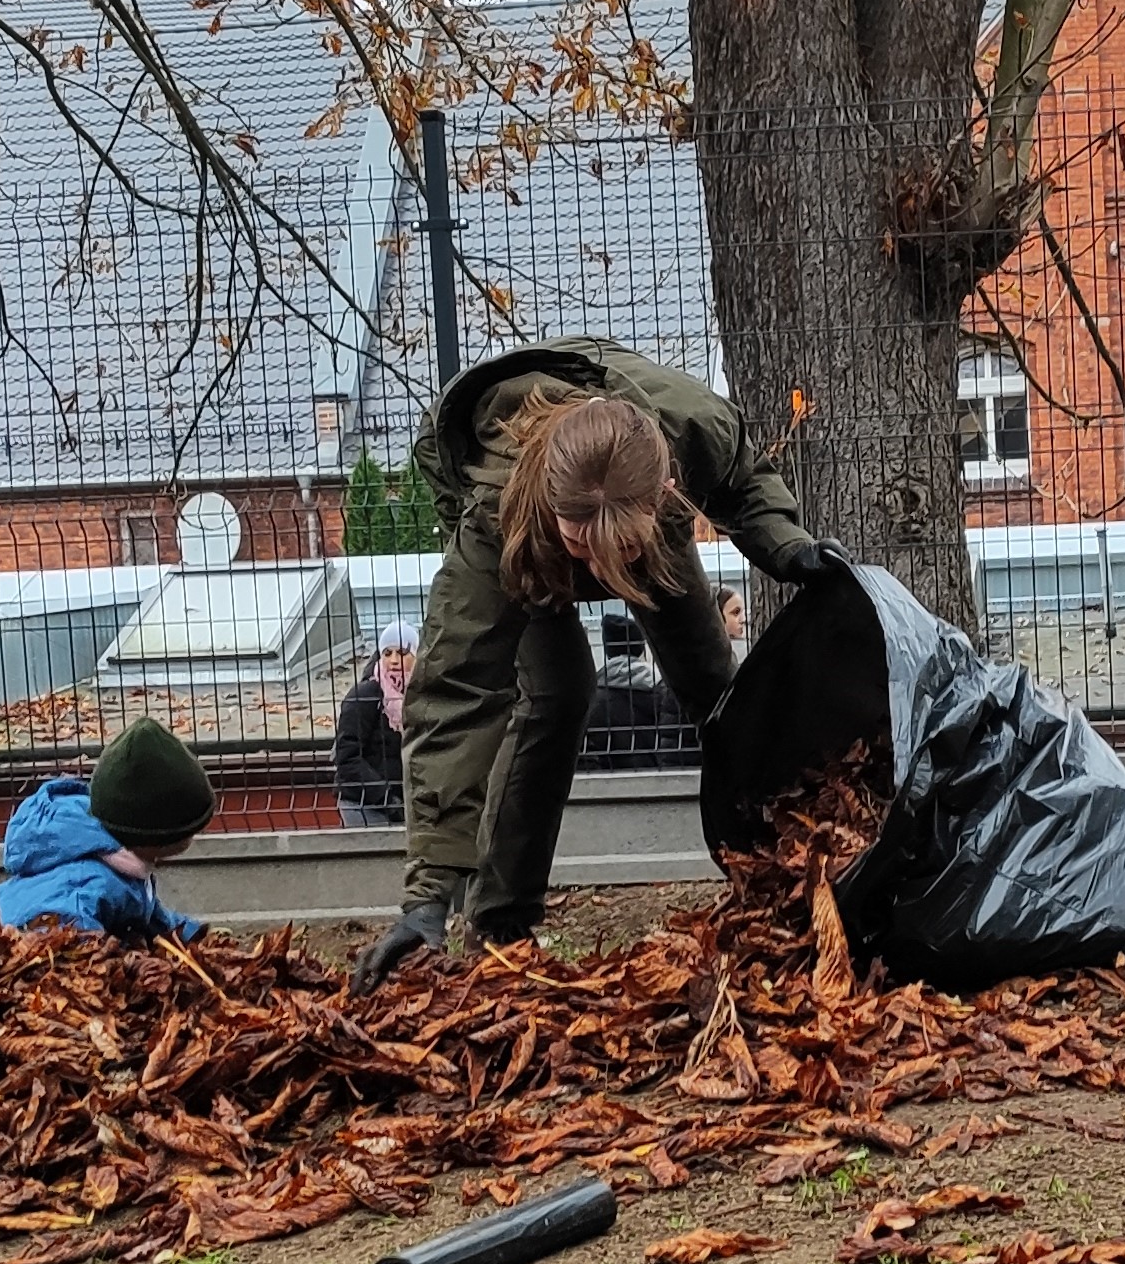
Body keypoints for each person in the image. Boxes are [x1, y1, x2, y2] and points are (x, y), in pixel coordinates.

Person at [353, 338, 832, 992]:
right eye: (585, 550)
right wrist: (426, 900)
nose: (595, 574)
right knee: (556, 689)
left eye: (610, 551)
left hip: (646, 542)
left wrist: (790, 549)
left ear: (667, 492)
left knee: (714, 687)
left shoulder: (693, 424)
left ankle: (783, 875)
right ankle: (501, 920)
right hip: (529, 538)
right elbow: (452, 693)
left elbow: (744, 481)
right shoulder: (496, 520)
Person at [0, 716, 216, 940]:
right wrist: (111, 964)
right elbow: (67, 931)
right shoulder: (91, 880)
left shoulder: (116, 861)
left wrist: (189, 934)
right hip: (2, 940)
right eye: (190, 828)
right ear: (155, 834)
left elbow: (148, 916)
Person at [582, 611, 693, 770]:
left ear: (608, 651)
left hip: (611, 781)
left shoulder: (595, 697)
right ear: (642, 647)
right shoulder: (665, 689)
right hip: (663, 776)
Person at [333, 621, 417, 826]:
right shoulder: (365, 695)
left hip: (405, 806)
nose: (394, 661)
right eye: (387, 653)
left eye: (403, 652)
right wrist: (387, 800)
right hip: (364, 805)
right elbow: (347, 757)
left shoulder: (420, 697)